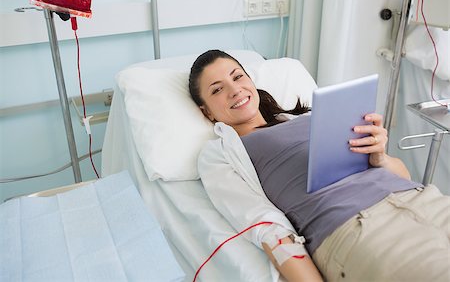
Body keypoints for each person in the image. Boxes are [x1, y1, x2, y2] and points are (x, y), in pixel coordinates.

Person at [189, 49, 450, 282]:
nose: (234, 90)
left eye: (237, 77)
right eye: (217, 89)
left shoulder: (312, 117)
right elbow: (262, 224)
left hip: (425, 201)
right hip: (360, 228)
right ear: (207, 112)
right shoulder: (221, 152)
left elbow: (403, 176)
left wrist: (379, 157)